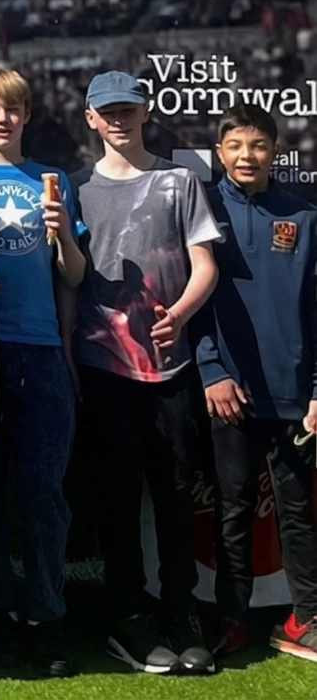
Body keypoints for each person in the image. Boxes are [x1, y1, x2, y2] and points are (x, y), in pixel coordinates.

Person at [72, 69, 222, 675]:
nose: (118, 119)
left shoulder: (180, 181)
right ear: (90, 118)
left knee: (175, 492)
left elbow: (204, 264)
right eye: (107, 110)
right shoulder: (75, 188)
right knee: (117, 495)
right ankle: (128, 613)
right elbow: (68, 280)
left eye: (127, 108)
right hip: (103, 367)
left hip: (171, 366)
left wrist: (179, 315)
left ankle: (182, 611)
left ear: (145, 111)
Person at [0, 66, 84, 675]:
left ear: (28, 114)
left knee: (42, 494)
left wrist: (64, 238)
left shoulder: (52, 180)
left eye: (12, 108)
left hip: (40, 352)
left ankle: (46, 617)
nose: (2, 118)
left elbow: (73, 276)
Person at [198, 103, 317, 662]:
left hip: (292, 396)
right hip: (230, 394)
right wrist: (212, 370)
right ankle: (231, 618)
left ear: (275, 150)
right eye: (236, 146)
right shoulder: (201, 210)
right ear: (219, 152)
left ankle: (305, 619)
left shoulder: (305, 216)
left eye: (259, 145)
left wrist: (315, 389)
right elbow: (191, 299)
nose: (247, 156)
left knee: (298, 512)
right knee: (233, 509)